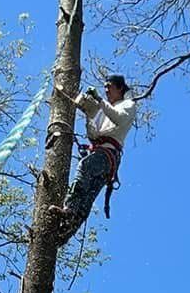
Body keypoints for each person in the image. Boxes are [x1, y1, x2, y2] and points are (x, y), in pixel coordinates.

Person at [53, 73, 135, 245]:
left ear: (120, 88)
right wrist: (88, 110)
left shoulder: (128, 105)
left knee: (85, 166)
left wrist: (99, 101)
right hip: (102, 153)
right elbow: (93, 133)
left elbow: (118, 118)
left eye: (109, 87)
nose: (106, 90)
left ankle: (69, 209)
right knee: (88, 196)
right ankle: (66, 231)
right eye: (104, 87)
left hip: (108, 155)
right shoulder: (104, 110)